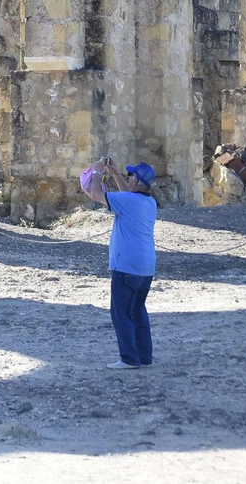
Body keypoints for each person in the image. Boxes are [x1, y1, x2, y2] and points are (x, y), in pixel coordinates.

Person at [80, 156, 158, 369]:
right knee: (138, 310)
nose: (128, 178)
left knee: (121, 312)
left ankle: (129, 358)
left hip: (126, 266)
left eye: (130, 176)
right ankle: (144, 356)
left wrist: (97, 172)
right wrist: (115, 173)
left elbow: (96, 194)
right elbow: (127, 194)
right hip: (146, 266)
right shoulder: (149, 203)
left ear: (135, 181)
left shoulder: (128, 202)